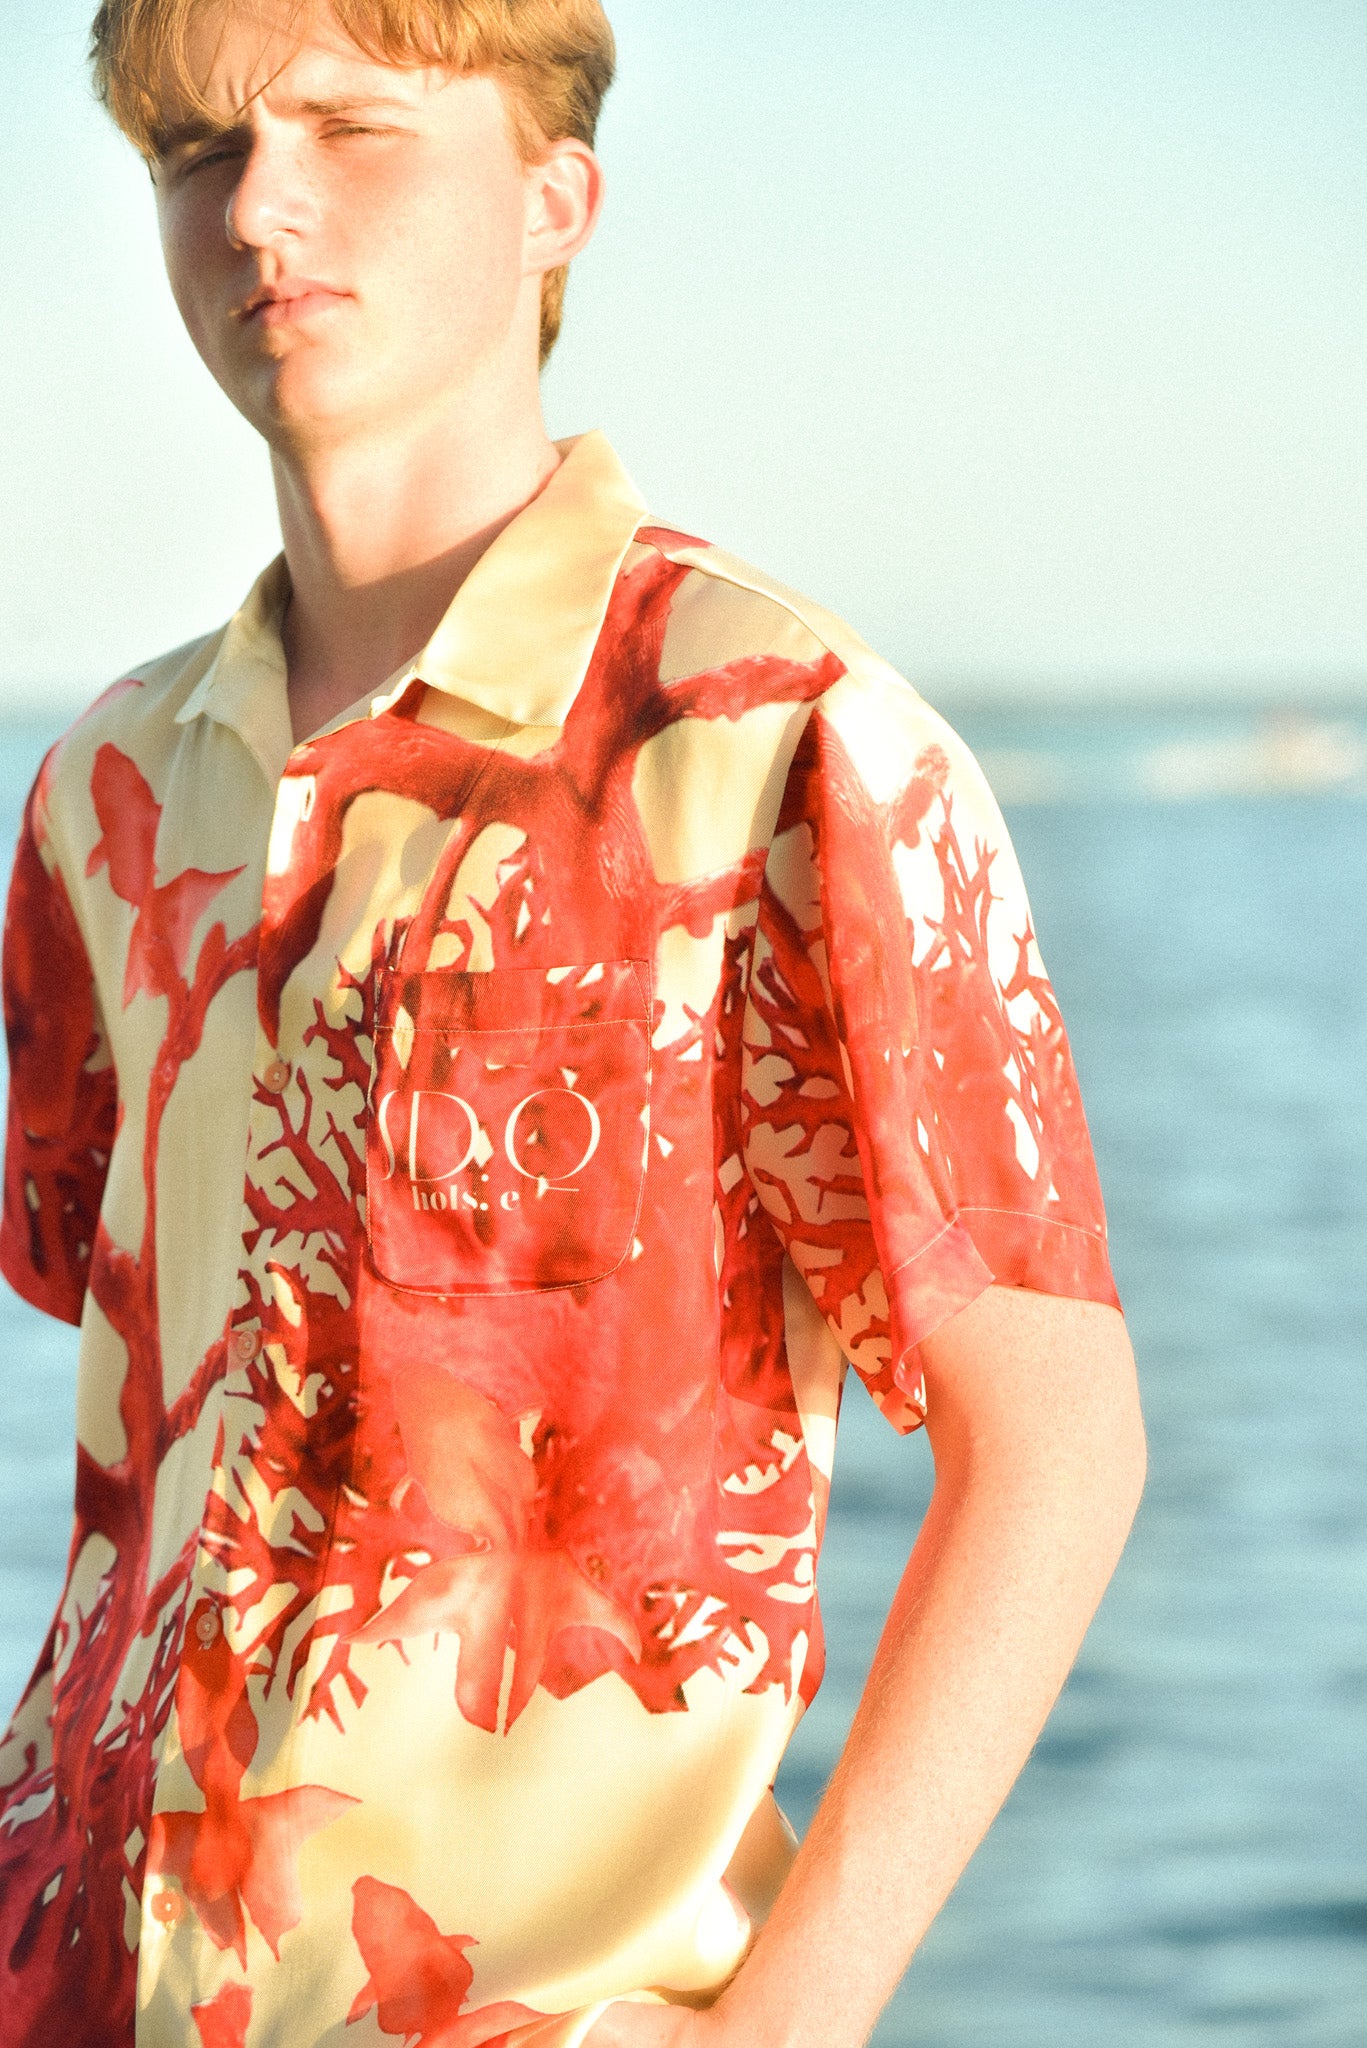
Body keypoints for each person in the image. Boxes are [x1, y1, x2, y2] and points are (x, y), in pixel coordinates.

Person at [0, 2, 1147, 2043]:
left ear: (556, 199)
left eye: (349, 127)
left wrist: (789, 2023)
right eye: (196, 152)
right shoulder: (106, 788)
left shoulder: (777, 737)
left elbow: (1057, 1444)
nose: (259, 205)